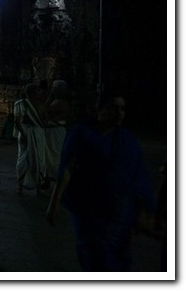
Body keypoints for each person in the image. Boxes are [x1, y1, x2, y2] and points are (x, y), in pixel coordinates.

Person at [45, 88, 156, 271]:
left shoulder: (127, 141)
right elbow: (67, 168)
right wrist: (54, 203)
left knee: (120, 264)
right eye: (113, 108)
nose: (119, 113)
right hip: (90, 213)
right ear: (99, 110)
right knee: (97, 260)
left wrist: (143, 211)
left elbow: (138, 176)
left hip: (119, 216)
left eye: (122, 108)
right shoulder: (82, 133)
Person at [14, 83, 65, 195]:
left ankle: (38, 187)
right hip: (26, 132)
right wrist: (24, 134)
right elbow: (18, 121)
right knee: (22, 159)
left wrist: (56, 124)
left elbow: (45, 121)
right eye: (37, 92)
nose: (39, 93)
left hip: (38, 133)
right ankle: (19, 185)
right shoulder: (21, 103)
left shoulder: (42, 105)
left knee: (39, 160)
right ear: (31, 93)